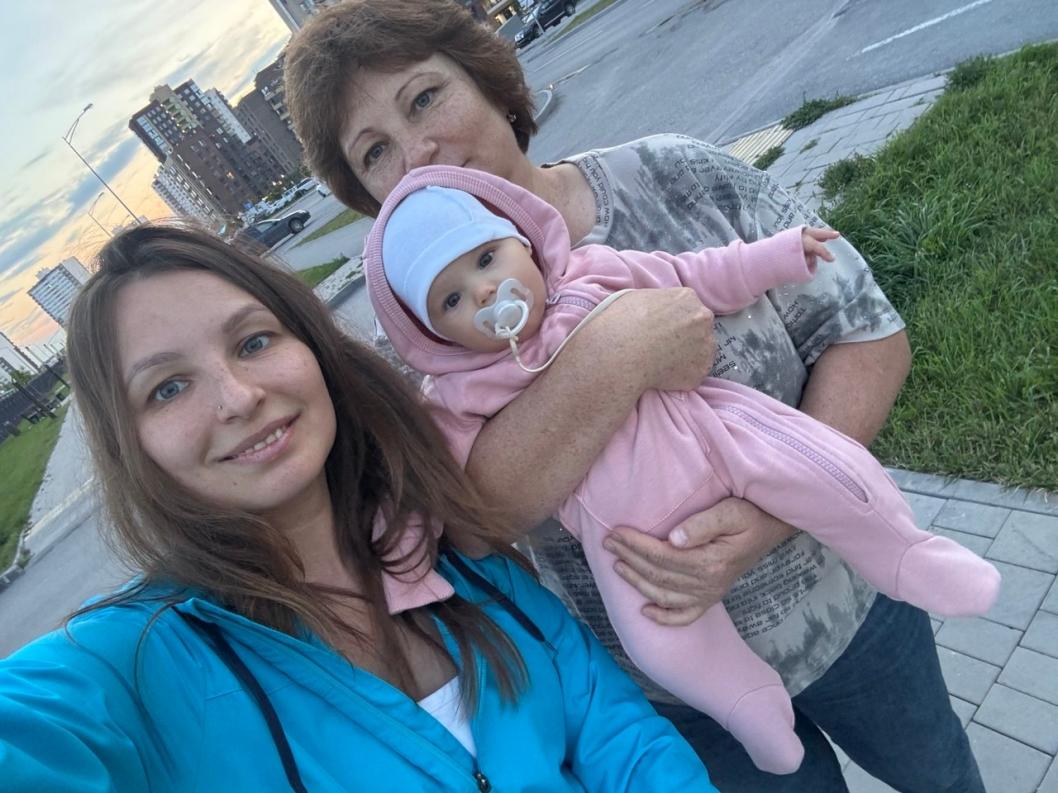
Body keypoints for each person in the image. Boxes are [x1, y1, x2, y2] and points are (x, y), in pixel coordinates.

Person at [284, 1, 988, 789]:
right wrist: (619, 352)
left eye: (424, 98)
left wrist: (771, 513)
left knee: (942, 776)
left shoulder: (670, 175)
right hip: (683, 696)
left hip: (850, 601)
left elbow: (866, 333)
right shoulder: (434, 350)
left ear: (488, 81)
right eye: (375, 151)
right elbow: (475, 520)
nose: (418, 153)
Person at [0, 223, 717, 792]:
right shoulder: (134, 663)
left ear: (313, 347)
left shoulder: (453, 548)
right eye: (167, 388)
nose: (238, 397)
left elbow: (620, 737)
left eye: (254, 341)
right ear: (132, 447)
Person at [364, 167, 1000, 773]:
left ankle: (907, 553)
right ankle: (746, 703)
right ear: (433, 334)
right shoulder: (458, 393)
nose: (484, 292)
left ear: (525, 242)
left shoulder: (592, 274)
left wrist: (778, 255)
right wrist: (402, 552)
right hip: (623, 532)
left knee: (827, 469)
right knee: (656, 636)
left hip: (716, 436)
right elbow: (436, 487)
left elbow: (694, 274)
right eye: (451, 299)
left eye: (487, 259)